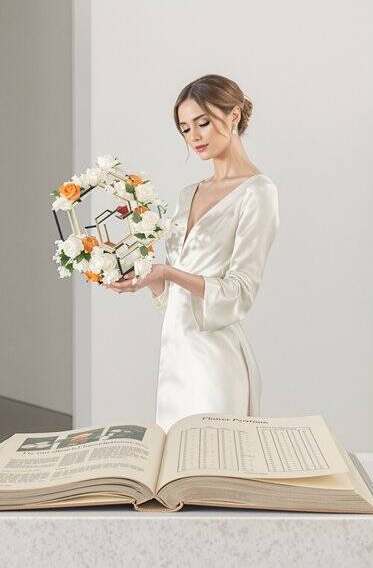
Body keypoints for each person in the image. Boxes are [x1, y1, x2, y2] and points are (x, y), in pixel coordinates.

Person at [106, 74, 279, 431]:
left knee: (214, 458)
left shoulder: (258, 192)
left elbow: (241, 291)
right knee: (173, 460)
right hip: (175, 359)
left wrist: (167, 273)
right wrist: (150, 278)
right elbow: (171, 299)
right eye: (185, 129)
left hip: (216, 362)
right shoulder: (188, 195)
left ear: (234, 115)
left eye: (203, 123)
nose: (194, 136)